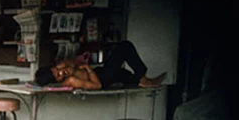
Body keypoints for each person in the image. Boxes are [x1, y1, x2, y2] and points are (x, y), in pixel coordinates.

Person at [35, 40, 167, 90]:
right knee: (124, 47)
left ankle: (141, 80)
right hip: (102, 79)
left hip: (100, 72)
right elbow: (97, 85)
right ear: (56, 82)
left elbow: (74, 61)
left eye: (57, 70)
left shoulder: (62, 67)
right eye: (58, 76)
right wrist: (87, 68)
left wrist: (68, 65)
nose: (61, 73)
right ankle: (142, 77)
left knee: (122, 73)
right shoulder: (72, 81)